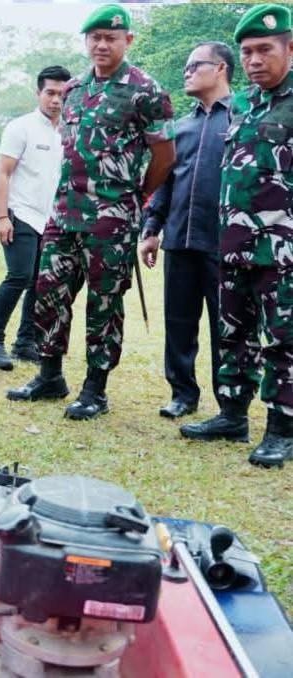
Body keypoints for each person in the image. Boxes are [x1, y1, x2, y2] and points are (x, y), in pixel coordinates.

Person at [7, 4, 175, 419]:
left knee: (103, 303)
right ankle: (49, 376)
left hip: (111, 219)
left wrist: (134, 196)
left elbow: (165, 155)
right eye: (95, 37)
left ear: (127, 41)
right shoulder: (74, 90)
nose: (102, 44)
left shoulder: (146, 90)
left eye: (111, 38)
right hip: (64, 213)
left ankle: (95, 389)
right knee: (49, 294)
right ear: (86, 41)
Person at [180, 5, 293, 469]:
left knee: (283, 339)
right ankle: (231, 414)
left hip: (283, 249)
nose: (254, 60)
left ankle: (282, 429)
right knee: (233, 334)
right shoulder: (243, 106)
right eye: (246, 52)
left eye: (265, 49)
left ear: (289, 48)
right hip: (233, 244)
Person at [138, 42, 233, 419]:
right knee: (178, 322)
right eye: (186, 67)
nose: (187, 72)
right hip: (179, 239)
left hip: (225, 245)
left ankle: (230, 402)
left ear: (221, 68)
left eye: (196, 65)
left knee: (227, 328)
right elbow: (165, 183)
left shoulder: (241, 119)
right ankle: (182, 393)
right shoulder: (181, 128)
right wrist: (151, 229)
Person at [0, 66, 70, 370]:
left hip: (52, 219)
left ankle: (26, 341)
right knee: (19, 276)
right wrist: (2, 216)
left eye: (62, 94)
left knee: (41, 283)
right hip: (21, 213)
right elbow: (2, 173)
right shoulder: (21, 127)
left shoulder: (70, 129)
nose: (56, 100)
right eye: (50, 93)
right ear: (39, 93)